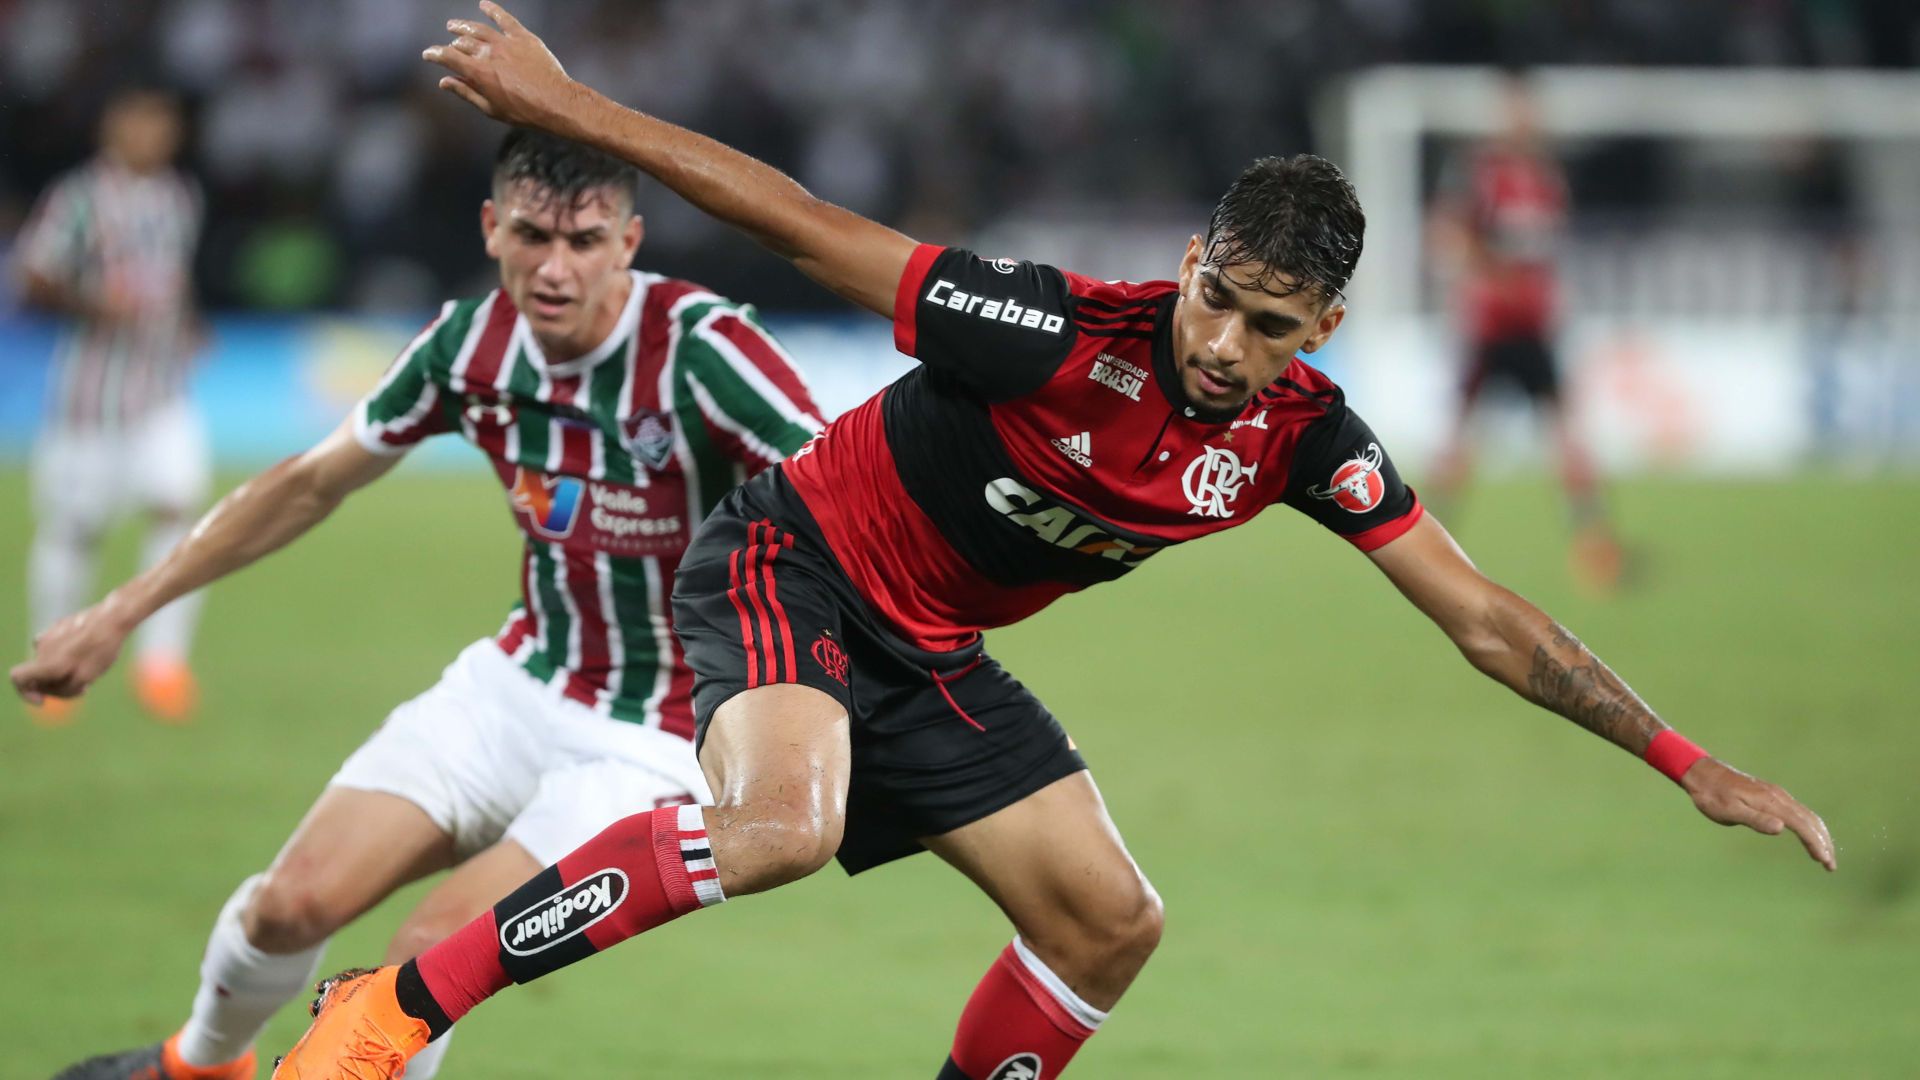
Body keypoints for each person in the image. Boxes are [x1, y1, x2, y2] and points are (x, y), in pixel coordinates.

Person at [268, 7, 1837, 1079]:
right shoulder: (1048, 330)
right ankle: (397, 1010)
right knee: (778, 828)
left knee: (1110, 921)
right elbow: (803, 220)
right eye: (1214, 293)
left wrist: (1686, 760)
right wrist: (569, 109)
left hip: (934, 654)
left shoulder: (1300, 441)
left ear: (1323, 329)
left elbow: (1489, 619)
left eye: (1265, 322)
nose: (1221, 339)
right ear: (1188, 262)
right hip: (788, 567)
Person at [12, 128, 825, 1080]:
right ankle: (196, 1065)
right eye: (532, 236)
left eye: (586, 242)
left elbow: (854, 496)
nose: (555, 268)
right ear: (490, 228)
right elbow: (309, 481)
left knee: (423, 960)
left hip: (656, 732)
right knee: (289, 904)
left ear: (631, 243)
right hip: (518, 680)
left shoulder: (705, 351)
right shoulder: (465, 346)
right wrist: (119, 612)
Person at [13, 86, 210, 723]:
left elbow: (174, 281)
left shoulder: (181, 197)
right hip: (88, 400)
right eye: (138, 119)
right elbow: (31, 278)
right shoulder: (78, 197)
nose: (150, 133)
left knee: (181, 513)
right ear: (112, 125)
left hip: (161, 393)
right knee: (76, 528)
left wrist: (189, 325)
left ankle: (162, 665)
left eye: (161, 120)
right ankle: (52, 660)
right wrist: (98, 305)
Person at [1425, 73, 1625, 591]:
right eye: (1513, 110)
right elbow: (1448, 234)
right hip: (1491, 324)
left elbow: (1547, 249)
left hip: (1534, 327)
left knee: (1566, 434)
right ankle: (1422, 543)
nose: (1521, 120)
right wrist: (1489, 276)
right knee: (1459, 436)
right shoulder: (1479, 174)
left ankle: (1595, 544)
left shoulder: (1546, 177)